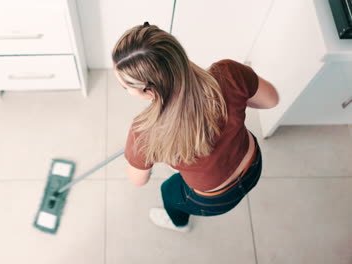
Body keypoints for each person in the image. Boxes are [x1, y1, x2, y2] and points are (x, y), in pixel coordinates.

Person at [111, 21, 279, 232]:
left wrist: (140, 155)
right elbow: (271, 100)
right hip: (254, 165)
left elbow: (138, 180)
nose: (125, 90)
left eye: (125, 86)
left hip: (217, 199)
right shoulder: (228, 73)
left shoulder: (145, 132)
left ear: (149, 91)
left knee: (169, 191)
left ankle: (179, 223)